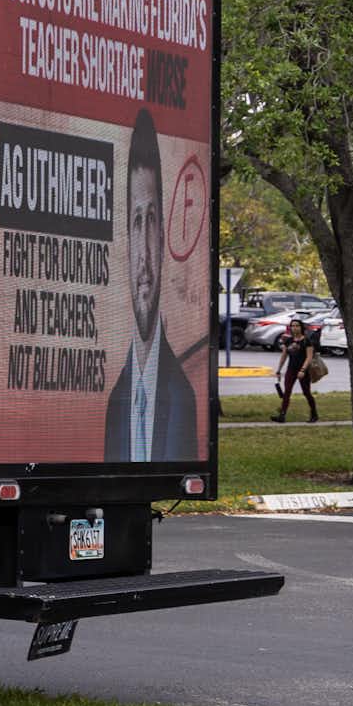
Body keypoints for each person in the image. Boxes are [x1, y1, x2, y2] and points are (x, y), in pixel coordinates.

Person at [104, 110, 197, 461]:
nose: (143, 254)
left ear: (162, 242)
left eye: (152, 221)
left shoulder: (181, 397)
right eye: (136, 223)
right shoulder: (117, 402)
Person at [274, 313, 323, 424]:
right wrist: (278, 370)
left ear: (301, 328)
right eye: (292, 326)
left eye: (297, 326)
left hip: (303, 371)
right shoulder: (289, 341)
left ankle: (314, 414)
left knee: (306, 393)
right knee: (287, 392)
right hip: (291, 369)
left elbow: (309, 357)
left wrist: (303, 370)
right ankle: (282, 415)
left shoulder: (306, 341)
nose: (294, 328)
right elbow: (284, 356)